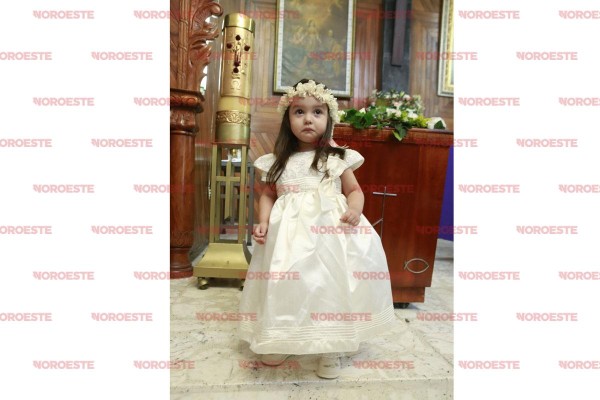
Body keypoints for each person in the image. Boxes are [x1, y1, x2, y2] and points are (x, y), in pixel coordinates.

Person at [238, 79, 395, 379]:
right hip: (288, 239)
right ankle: (279, 336)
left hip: (330, 234)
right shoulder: (278, 161)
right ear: (288, 120)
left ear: (329, 118)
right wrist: (263, 221)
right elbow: (268, 194)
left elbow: (354, 190)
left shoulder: (336, 158)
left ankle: (331, 347)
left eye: (317, 112)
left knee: (329, 285)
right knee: (285, 284)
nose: (308, 119)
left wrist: (355, 209)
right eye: (299, 112)